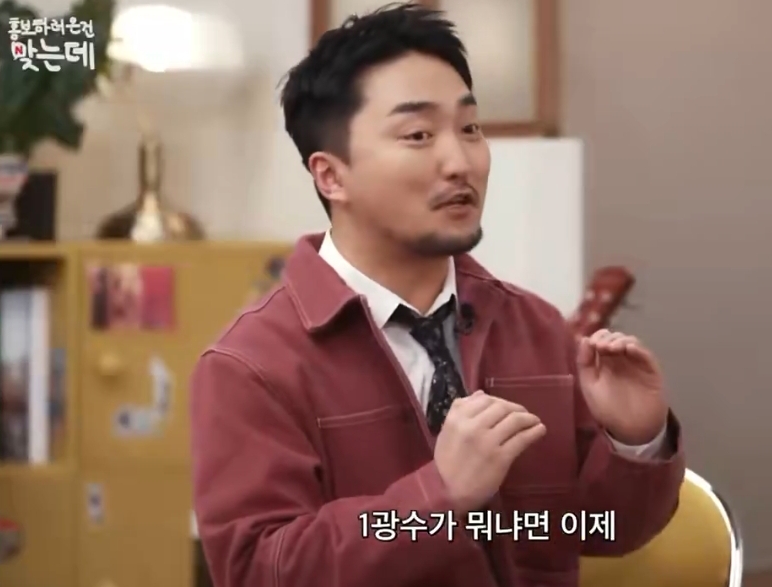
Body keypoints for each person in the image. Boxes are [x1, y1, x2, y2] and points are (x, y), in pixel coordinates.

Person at [189, 4, 685, 587]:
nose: (460, 161)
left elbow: (598, 530)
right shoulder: (252, 365)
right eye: (419, 135)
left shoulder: (533, 327)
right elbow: (260, 571)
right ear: (331, 176)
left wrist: (635, 442)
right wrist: (438, 497)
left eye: (470, 129)